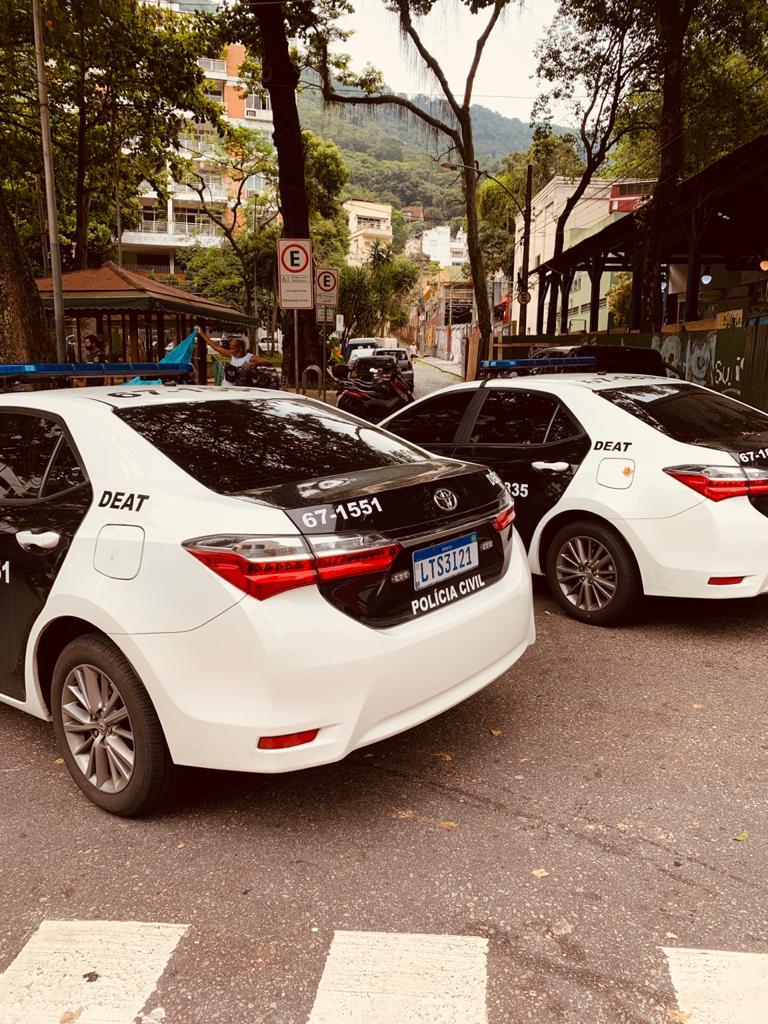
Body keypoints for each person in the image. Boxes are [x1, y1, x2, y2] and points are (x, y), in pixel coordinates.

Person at [197, 328, 267, 387]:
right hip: (225, 389)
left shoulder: (249, 357)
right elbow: (215, 347)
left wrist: (255, 364)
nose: (231, 350)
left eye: (233, 348)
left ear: (240, 349)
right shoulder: (231, 355)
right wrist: (201, 333)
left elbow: (268, 363)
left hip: (239, 392)